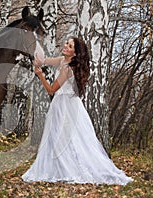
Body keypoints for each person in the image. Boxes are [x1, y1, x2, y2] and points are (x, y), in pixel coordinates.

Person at [22, 37, 133, 185]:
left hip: (65, 106)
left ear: (75, 53)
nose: (66, 46)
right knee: (59, 138)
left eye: (70, 46)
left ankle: (70, 168)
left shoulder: (67, 69)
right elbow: (46, 60)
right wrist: (37, 57)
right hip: (66, 104)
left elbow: (51, 90)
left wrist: (40, 74)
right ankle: (60, 167)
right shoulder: (63, 60)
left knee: (67, 138)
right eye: (66, 43)